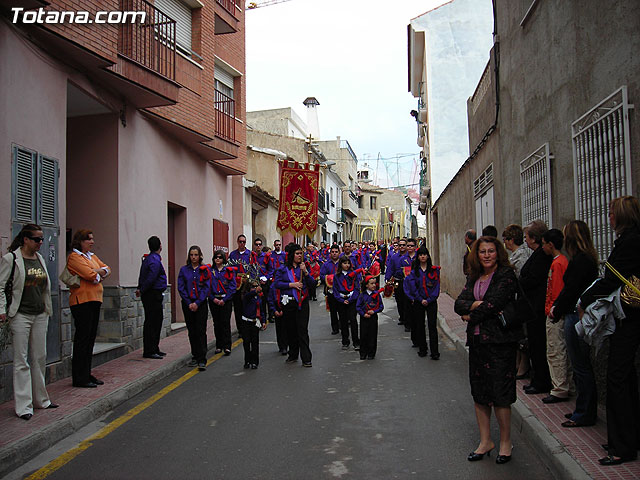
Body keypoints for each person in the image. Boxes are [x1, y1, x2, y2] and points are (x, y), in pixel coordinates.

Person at [579, 196, 640, 466]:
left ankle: (622, 447)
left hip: (630, 318)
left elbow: (610, 280)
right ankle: (628, 438)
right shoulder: (631, 239)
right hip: (630, 317)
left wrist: (583, 300)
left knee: (617, 379)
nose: (609, 217)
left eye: (612, 213)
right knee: (625, 379)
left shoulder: (629, 242)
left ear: (623, 216)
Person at [454, 236, 522, 465]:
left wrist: (470, 313)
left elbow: (495, 303)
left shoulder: (506, 275)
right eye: (482, 251)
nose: (486, 255)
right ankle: (485, 441)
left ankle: (505, 442)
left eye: (491, 251)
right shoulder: (474, 276)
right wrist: (473, 306)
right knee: (480, 393)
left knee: (501, 395)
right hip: (477, 343)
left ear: (498, 253)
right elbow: (458, 303)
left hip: (500, 343)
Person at [0, 224, 57, 419]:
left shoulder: (40, 258)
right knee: (21, 360)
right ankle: (24, 406)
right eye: (37, 239)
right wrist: (2, 311)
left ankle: (41, 399)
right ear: (25, 239)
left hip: (40, 313)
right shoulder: (12, 259)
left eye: (41, 239)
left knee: (39, 357)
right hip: (20, 315)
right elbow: (0, 286)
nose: (40, 242)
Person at [551, 220, 598, 428]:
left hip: (576, 316)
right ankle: (582, 409)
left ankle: (584, 412)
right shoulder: (585, 259)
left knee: (581, 367)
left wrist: (556, 308)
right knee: (580, 367)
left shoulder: (580, 261)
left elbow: (570, 290)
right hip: (576, 315)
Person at [66, 229, 111, 388]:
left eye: (92, 239)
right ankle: (79, 377)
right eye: (89, 239)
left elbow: (107, 269)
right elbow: (91, 276)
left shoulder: (91, 256)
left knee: (91, 338)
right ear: (80, 241)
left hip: (95, 300)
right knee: (82, 339)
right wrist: (97, 273)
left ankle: (87, 373)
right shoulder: (74, 257)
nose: (92, 242)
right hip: (81, 302)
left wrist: (97, 272)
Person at [519, 220, 553, 395]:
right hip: (533, 307)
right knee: (534, 345)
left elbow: (533, 279)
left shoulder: (541, 256)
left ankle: (541, 381)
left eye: (527, 237)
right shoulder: (537, 254)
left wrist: (519, 282)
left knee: (539, 345)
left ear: (533, 238)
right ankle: (538, 379)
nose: (525, 240)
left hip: (538, 308)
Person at [272, 243, 315, 367]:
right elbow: (277, 284)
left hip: (303, 302)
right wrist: (291, 285)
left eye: (301, 253)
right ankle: (293, 354)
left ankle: (306, 358)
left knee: (302, 330)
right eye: (297, 254)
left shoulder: (304, 267)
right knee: (291, 330)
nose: (299, 256)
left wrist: (306, 272)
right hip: (289, 303)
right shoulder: (283, 269)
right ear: (291, 255)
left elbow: (312, 284)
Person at [541, 229, 570, 404]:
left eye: (544, 244)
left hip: (554, 314)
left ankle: (559, 388)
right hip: (553, 312)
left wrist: (552, 310)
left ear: (550, 245)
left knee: (555, 351)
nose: (542, 247)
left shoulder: (558, 264)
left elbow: (557, 290)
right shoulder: (559, 262)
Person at [502, 224, 532, 380]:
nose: (505, 243)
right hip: (513, 302)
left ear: (511, 240)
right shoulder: (515, 255)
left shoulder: (521, 256)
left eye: (506, 239)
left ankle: (523, 365)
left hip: (519, 301)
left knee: (522, 334)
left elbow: (520, 280)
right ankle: (518, 363)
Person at [404, 246, 441, 359]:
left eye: (424, 254)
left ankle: (434, 352)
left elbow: (436, 287)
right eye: (420, 254)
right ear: (418, 257)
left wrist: (430, 299)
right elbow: (413, 287)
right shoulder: (414, 272)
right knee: (420, 325)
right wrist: (420, 299)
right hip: (419, 301)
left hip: (431, 302)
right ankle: (423, 349)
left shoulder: (434, 270)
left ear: (428, 256)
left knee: (432, 326)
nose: (423, 256)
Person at [178, 246, 210, 371]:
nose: (193, 257)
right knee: (192, 331)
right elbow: (181, 287)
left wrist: (197, 302)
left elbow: (206, 287)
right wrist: (189, 302)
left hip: (200, 304)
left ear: (200, 256)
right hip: (188, 304)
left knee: (201, 330)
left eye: (196, 255)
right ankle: (195, 355)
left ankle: (202, 358)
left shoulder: (204, 270)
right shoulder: (184, 270)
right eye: (191, 255)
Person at [137, 236, 168, 360]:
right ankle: (150, 350)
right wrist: (142, 289)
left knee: (155, 321)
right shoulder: (154, 260)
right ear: (160, 246)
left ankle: (154, 348)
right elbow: (151, 277)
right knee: (153, 322)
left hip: (152, 293)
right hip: (152, 294)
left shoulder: (149, 259)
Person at [208, 251, 236, 356]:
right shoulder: (210, 271)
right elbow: (207, 287)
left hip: (225, 300)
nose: (218, 259)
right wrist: (213, 299)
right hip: (214, 300)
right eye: (216, 257)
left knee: (225, 323)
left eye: (220, 257)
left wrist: (224, 300)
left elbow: (232, 287)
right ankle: (219, 345)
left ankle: (227, 346)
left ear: (223, 259)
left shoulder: (228, 271)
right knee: (217, 323)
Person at [333, 256, 361, 350]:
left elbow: (357, 288)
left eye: (348, 263)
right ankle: (345, 341)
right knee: (343, 321)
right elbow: (335, 290)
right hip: (341, 300)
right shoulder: (337, 276)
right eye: (345, 263)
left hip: (352, 300)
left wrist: (351, 299)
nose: (347, 265)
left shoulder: (354, 275)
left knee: (353, 320)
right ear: (341, 264)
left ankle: (356, 341)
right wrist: (341, 300)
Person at [229, 234, 255, 338]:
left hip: (247, 285)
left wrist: (248, 279)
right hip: (236, 285)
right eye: (240, 242)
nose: (242, 244)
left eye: (244, 242)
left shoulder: (250, 255)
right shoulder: (232, 255)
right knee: (238, 308)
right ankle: (240, 329)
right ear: (237, 242)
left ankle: (247, 327)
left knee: (247, 307)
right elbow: (229, 270)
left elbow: (253, 269)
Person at [356, 275, 384, 360]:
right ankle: (363, 353)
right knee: (363, 335)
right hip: (364, 317)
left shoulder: (377, 295)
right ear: (366, 285)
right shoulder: (362, 295)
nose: (374, 285)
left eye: (374, 283)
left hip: (373, 317)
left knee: (372, 335)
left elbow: (381, 307)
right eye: (371, 283)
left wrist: (374, 311)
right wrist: (363, 314)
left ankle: (371, 353)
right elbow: (358, 306)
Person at [240, 279, 263, 369]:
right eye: (252, 287)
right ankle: (247, 360)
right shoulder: (246, 296)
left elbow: (261, 310)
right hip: (246, 322)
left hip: (254, 322)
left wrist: (263, 321)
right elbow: (249, 295)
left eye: (256, 286)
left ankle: (254, 362)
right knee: (246, 342)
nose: (254, 288)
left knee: (255, 343)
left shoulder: (258, 297)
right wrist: (255, 291)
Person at [319, 245, 341, 335]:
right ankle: (335, 328)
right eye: (333, 252)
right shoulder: (326, 265)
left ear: (339, 253)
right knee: (333, 311)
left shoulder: (342, 263)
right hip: (331, 291)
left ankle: (343, 326)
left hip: (342, 290)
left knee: (342, 310)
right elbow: (321, 276)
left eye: (336, 252)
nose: (334, 254)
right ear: (330, 253)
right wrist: (329, 279)